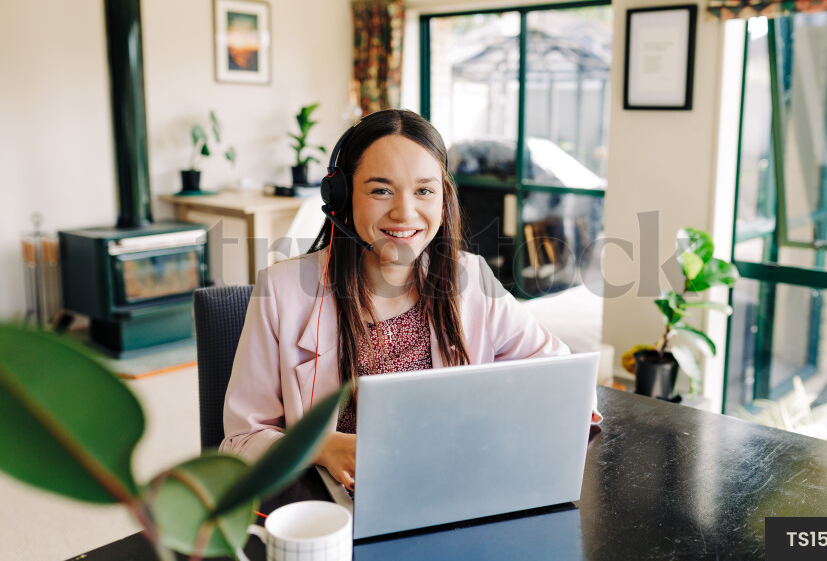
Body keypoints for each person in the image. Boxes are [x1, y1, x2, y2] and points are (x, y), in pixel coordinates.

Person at [221, 109, 598, 490]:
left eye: (424, 191)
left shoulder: (471, 278)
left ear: (443, 201)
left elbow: (561, 377)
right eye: (381, 190)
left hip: (451, 487)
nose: (405, 212)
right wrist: (320, 446)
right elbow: (240, 442)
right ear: (342, 199)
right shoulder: (282, 292)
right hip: (337, 502)